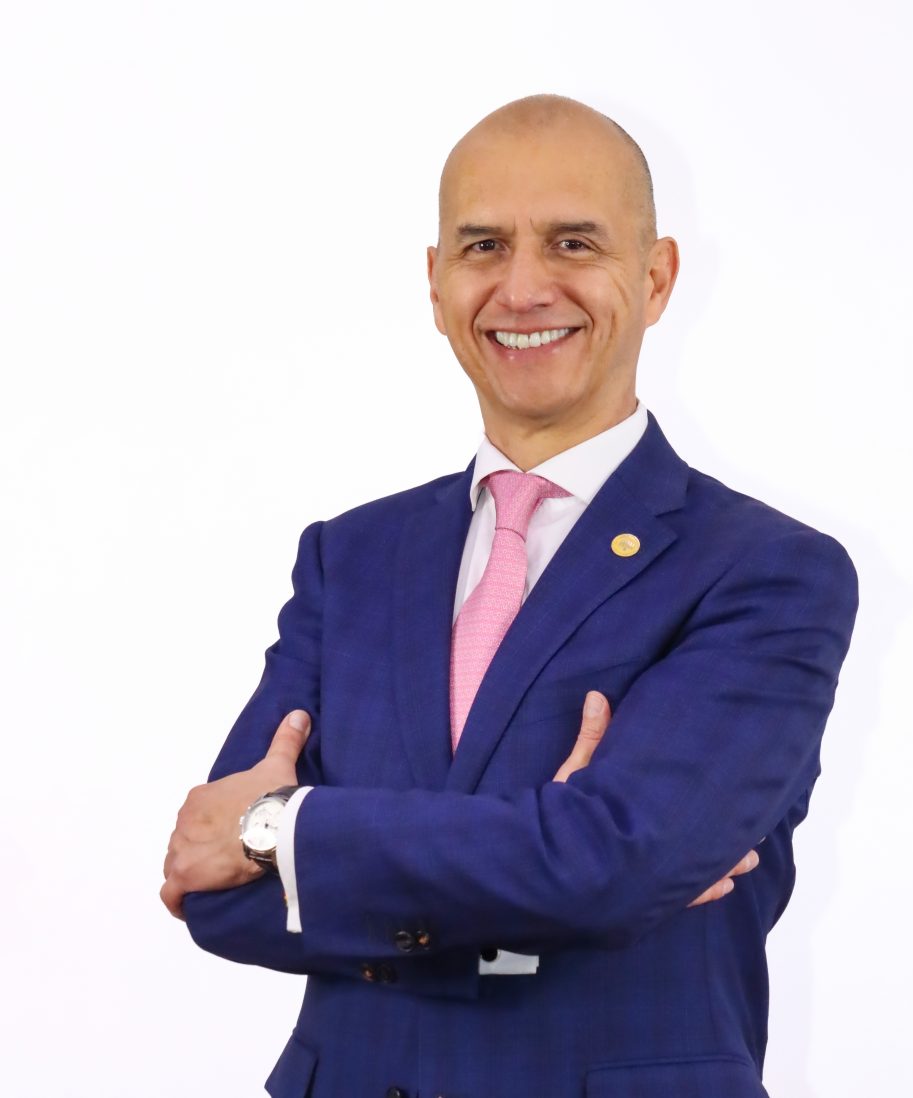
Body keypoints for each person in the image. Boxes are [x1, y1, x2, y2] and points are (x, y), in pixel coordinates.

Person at [162, 95, 858, 1097]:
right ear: (436, 282)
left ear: (656, 277)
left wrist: (284, 832)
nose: (523, 288)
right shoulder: (348, 558)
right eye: (483, 246)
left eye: (573, 243)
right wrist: (547, 872)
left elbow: (611, 866)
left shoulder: (765, 572)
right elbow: (213, 892)